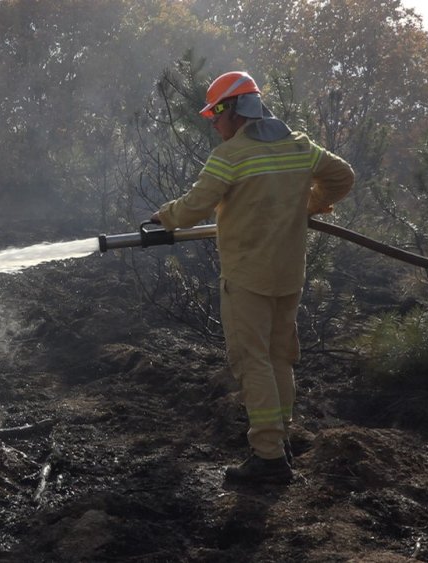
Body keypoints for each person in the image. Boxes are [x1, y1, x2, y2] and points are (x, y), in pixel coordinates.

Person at [150, 71, 355, 484]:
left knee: (252, 361)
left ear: (233, 110)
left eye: (215, 115)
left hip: (247, 277)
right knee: (279, 358)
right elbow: (343, 177)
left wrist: (162, 217)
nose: (213, 124)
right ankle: (280, 443)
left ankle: (267, 459)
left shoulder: (233, 156)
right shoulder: (299, 145)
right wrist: (308, 205)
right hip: (287, 275)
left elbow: (194, 207)